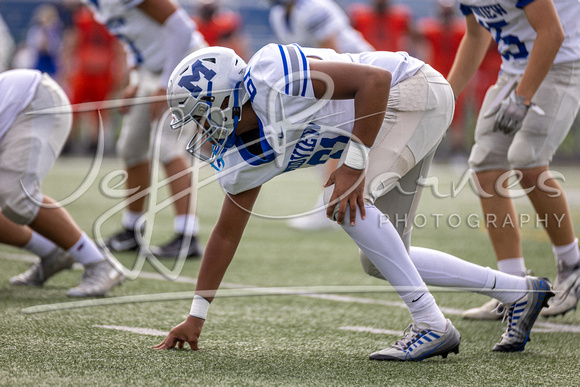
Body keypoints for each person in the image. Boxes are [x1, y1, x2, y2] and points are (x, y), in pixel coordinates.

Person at [151, 45, 554, 359]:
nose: (201, 130)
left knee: (338, 196)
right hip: (399, 113)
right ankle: (520, 292)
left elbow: (375, 81)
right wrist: (196, 316)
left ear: (227, 99)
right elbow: (225, 233)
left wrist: (354, 162)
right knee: (382, 258)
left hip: (412, 87)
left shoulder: (276, 78)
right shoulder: (242, 155)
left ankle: (431, 323)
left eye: (201, 115)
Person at [446, 0, 580, 320]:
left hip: (561, 64)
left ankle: (572, 266)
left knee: (526, 160)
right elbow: (476, 37)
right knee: (485, 164)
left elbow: (552, 33)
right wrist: (446, 98)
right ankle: (514, 287)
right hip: (514, 69)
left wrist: (522, 97)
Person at [84, 0, 208, 258]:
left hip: (186, 67)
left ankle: (187, 235)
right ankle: (132, 230)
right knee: (131, 147)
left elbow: (183, 29)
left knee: (166, 145)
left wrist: (166, 85)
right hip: (152, 71)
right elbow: (134, 38)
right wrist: (136, 79)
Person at [1, 69, 123, 297]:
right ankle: (52, 253)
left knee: (18, 196)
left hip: (34, 100)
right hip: (22, 104)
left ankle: (100, 263)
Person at [268, 0, 374, 231]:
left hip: (355, 76)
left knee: (335, 137)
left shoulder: (314, 8)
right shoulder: (279, 14)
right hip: (328, 80)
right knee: (325, 140)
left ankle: (330, 204)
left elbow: (332, 55)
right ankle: (334, 202)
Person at [349, 0, 414, 53]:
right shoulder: (359, 17)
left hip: (392, 59)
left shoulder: (400, 17)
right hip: (367, 59)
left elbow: (414, 38)